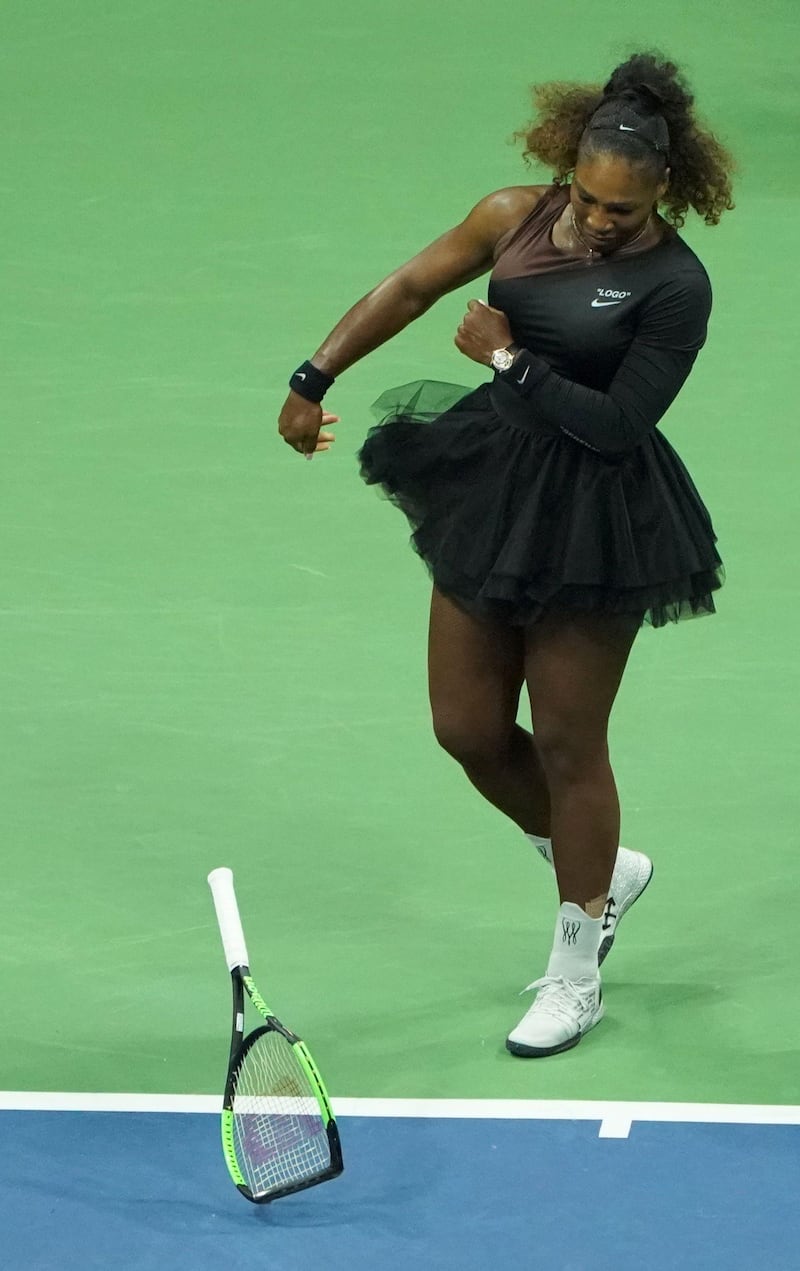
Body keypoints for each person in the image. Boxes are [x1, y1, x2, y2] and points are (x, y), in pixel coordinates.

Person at [277, 51, 735, 1058]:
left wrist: (504, 356)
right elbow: (407, 285)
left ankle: (575, 971)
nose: (599, 220)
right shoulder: (512, 215)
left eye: (622, 208)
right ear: (567, 167)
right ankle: (602, 868)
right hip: (493, 484)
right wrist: (312, 375)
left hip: (599, 515)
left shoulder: (673, 286)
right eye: (587, 196)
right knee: (467, 726)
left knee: (569, 743)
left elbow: (616, 425)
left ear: (662, 189)